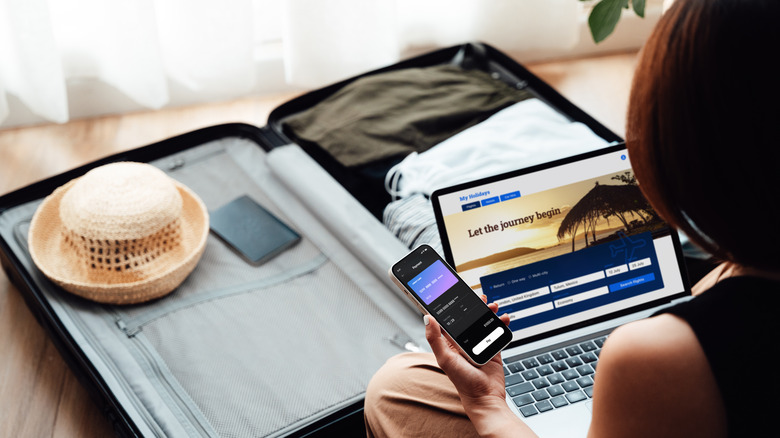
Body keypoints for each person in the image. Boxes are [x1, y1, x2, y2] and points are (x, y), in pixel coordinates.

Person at [364, 0, 780, 436]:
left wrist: (487, 404)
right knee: (405, 382)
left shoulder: (659, 355)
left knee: (396, 391)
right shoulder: (742, 270)